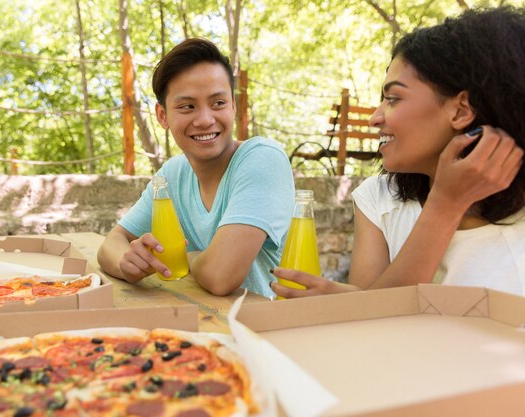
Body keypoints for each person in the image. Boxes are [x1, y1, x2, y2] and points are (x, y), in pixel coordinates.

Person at [272, 6, 525, 298]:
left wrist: (350, 303)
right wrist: (445, 204)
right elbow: (376, 325)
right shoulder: (379, 198)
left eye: (393, 98)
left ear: (461, 110)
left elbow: (371, 309)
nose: (374, 118)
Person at [97, 38, 294, 297]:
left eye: (218, 103)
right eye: (187, 106)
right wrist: (128, 263)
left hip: (267, 330)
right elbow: (111, 244)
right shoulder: (172, 174)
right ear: (162, 116)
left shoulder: (263, 159)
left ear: (233, 106)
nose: (204, 119)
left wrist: (188, 258)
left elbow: (220, 277)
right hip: (201, 323)